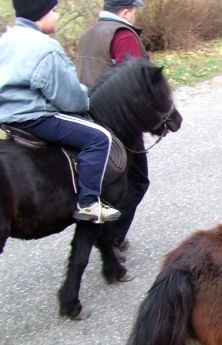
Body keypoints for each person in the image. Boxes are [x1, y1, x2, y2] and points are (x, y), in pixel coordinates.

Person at [0, 0, 120, 223]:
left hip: (7, 118)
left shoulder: (6, 39)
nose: (56, 16)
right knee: (99, 137)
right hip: (35, 117)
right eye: (54, 11)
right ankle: (89, 204)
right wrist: (85, 96)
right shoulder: (45, 47)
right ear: (41, 12)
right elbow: (69, 98)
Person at [76, 0, 147, 258]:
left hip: (87, 118)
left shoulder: (88, 34)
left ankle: (105, 233)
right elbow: (134, 81)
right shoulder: (123, 34)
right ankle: (111, 239)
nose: (135, 16)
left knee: (106, 182)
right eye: (135, 11)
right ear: (125, 11)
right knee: (138, 180)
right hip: (119, 122)